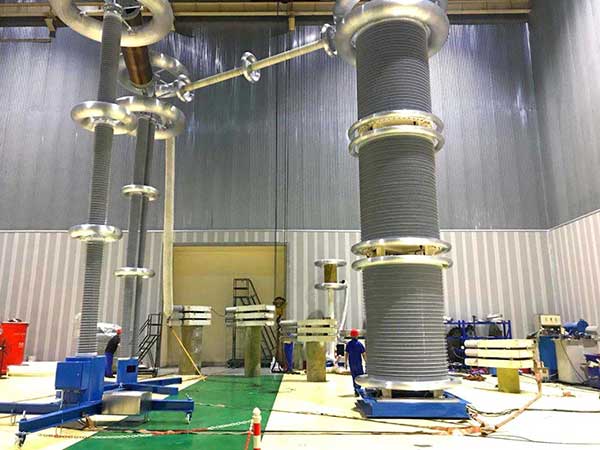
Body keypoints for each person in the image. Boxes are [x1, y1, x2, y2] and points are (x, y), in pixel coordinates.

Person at [345, 328, 366, 396]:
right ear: (357, 335)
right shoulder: (359, 344)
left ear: (351, 336)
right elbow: (364, 354)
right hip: (358, 364)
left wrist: (345, 363)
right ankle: (359, 389)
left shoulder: (348, 344)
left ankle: (356, 390)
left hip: (352, 364)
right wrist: (366, 362)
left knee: (354, 377)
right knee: (360, 376)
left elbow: (346, 354)